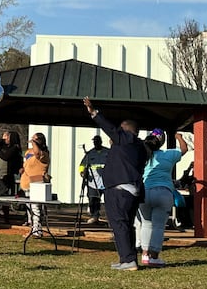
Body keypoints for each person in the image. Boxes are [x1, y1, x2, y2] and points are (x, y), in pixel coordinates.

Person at [83, 96, 148, 271]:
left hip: (119, 190)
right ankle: (128, 258)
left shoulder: (126, 138)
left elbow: (109, 128)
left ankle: (128, 261)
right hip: (134, 190)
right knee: (127, 225)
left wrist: (94, 112)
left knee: (119, 223)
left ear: (126, 130)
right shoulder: (140, 147)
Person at [136, 131, 188, 267]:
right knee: (158, 226)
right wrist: (179, 137)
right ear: (160, 143)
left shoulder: (142, 156)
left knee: (146, 224)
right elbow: (184, 149)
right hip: (163, 191)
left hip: (145, 191)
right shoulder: (168, 154)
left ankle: (145, 254)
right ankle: (154, 256)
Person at [19, 133, 50, 238]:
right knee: (30, 209)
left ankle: (37, 230)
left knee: (36, 208)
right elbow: (26, 163)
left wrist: (34, 143)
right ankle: (33, 228)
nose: (32, 140)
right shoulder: (28, 152)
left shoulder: (44, 154)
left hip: (37, 184)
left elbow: (37, 154)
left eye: (35, 139)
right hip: (27, 182)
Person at [0, 130, 23, 224]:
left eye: (7, 137)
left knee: (5, 197)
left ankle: (6, 217)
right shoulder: (2, 147)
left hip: (7, 175)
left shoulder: (15, 148)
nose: (5, 139)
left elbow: (6, 156)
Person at [78, 135, 109, 224]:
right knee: (93, 200)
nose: (95, 143)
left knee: (109, 201)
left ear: (101, 142)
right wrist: (82, 172)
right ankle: (94, 216)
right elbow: (82, 165)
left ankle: (110, 218)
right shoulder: (89, 154)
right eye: (94, 141)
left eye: (97, 141)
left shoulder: (108, 152)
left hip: (106, 181)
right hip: (93, 182)